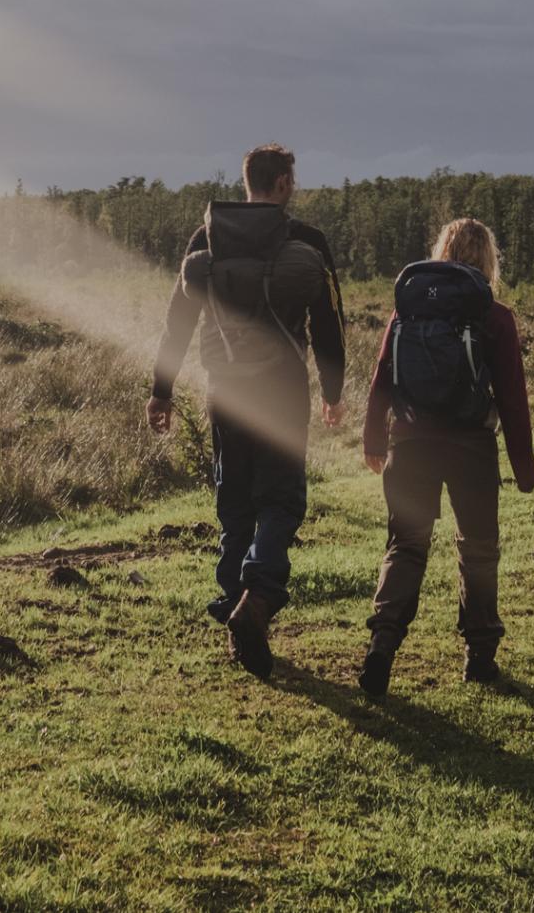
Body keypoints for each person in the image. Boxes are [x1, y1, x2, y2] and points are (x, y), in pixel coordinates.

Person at [148, 144, 347, 677]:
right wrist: (332, 389)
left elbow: (177, 324)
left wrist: (161, 391)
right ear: (282, 184)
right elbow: (329, 323)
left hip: (225, 390)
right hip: (282, 388)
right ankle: (256, 599)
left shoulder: (204, 240)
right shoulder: (306, 241)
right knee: (281, 500)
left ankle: (237, 614)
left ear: (246, 183)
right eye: (292, 181)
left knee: (234, 503)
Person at [357, 217, 534, 697]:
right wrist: (524, 468)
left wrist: (374, 440)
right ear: (489, 260)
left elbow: (382, 379)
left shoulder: (407, 312)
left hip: (410, 444)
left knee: (406, 546)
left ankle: (381, 646)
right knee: (477, 548)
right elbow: (513, 399)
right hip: (472, 448)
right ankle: (479, 658)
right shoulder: (495, 316)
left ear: (440, 252)